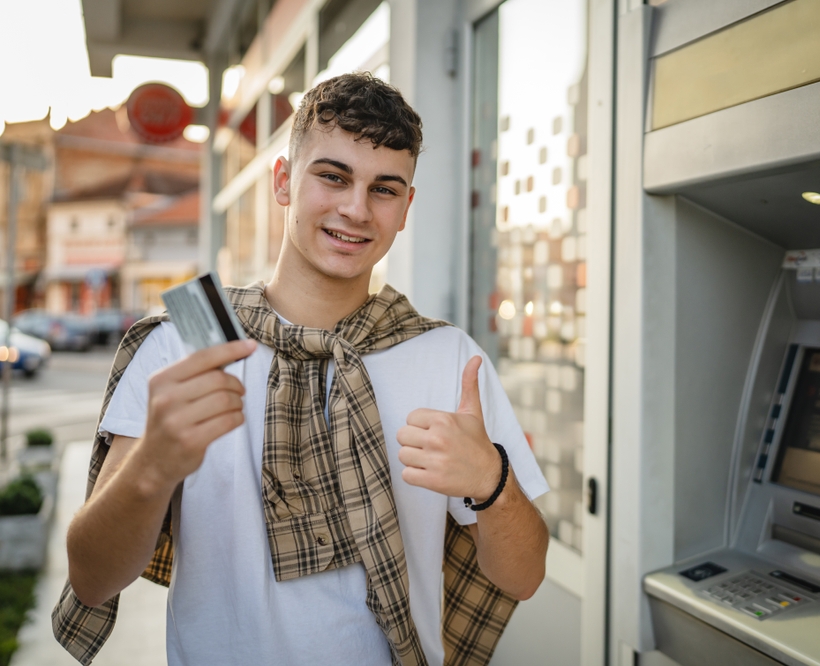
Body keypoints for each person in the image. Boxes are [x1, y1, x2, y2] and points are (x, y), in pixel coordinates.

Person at [54, 73, 550, 666]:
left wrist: (493, 484)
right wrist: (151, 468)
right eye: (333, 176)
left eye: (384, 189)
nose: (355, 209)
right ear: (285, 181)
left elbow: (522, 578)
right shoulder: (185, 339)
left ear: (406, 208)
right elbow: (91, 578)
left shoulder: (449, 359)